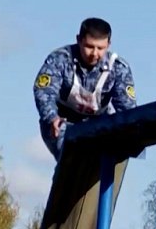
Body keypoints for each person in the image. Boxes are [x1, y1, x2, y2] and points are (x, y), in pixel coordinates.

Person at [33, 17, 137, 159]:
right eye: (89, 46)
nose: (94, 53)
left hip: (98, 125)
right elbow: (44, 91)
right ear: (79, 40)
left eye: (100, 48)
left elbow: (127, 109)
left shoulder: (118, 68)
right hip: (61, 124)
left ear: (109, 44)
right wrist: (52, 117)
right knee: (72, 161)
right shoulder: (60, 59)